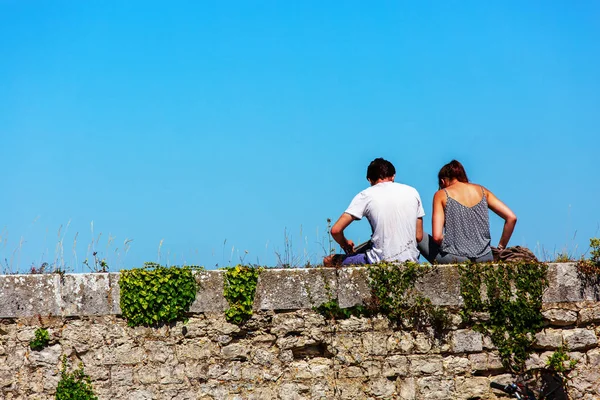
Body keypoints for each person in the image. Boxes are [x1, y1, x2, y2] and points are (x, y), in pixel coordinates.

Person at [324, 158, 425, 266]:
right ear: (393, 176)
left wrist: (345, 244)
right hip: (411, 260)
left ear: (369, 179)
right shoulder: (413, 192)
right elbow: (418, 236)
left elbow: (335, 230)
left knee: (329, 260)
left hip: (379, 260)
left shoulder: (366, 195)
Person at [418, 160, 517, 263]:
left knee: (416, 234)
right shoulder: (483, 191)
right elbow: (511, 218)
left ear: (443, 181)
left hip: (456, 258)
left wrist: (453, 242)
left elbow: (437, 237)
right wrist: (500, 248)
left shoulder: (441, 194)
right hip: (485, 258)